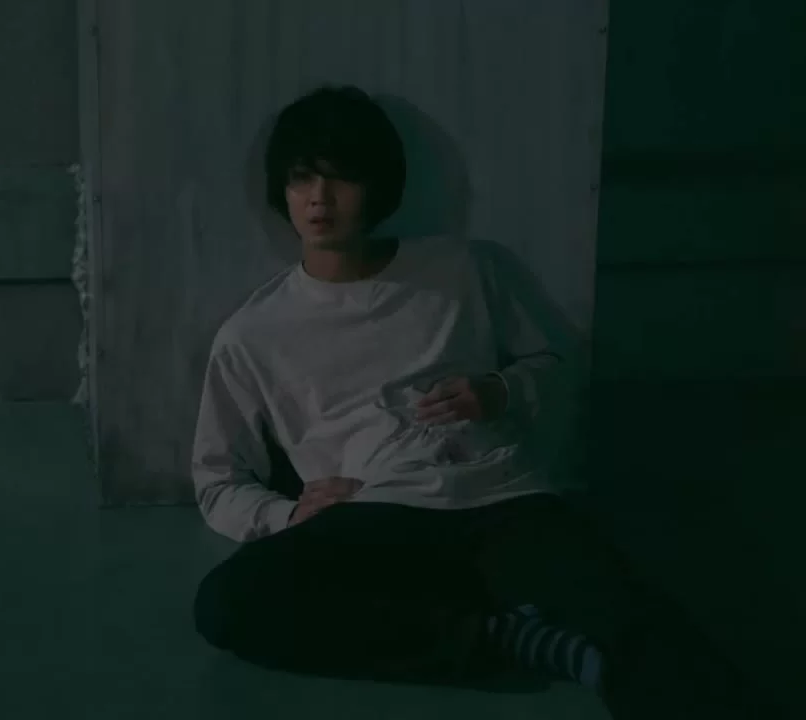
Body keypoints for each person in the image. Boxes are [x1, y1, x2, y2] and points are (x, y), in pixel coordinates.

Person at [190, 84, 769, 719]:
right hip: (376, 513)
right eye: (302, 178)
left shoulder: (463, 267)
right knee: (230, 603)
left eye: (341, 177)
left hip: (502, 498)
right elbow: (217, 480)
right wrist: (286, 514)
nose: (319, 198)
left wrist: (499, 391)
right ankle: (498, 638)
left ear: (378, 184)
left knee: (633, 619)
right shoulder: (252, 334)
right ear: (281, 189)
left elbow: (558, 364)